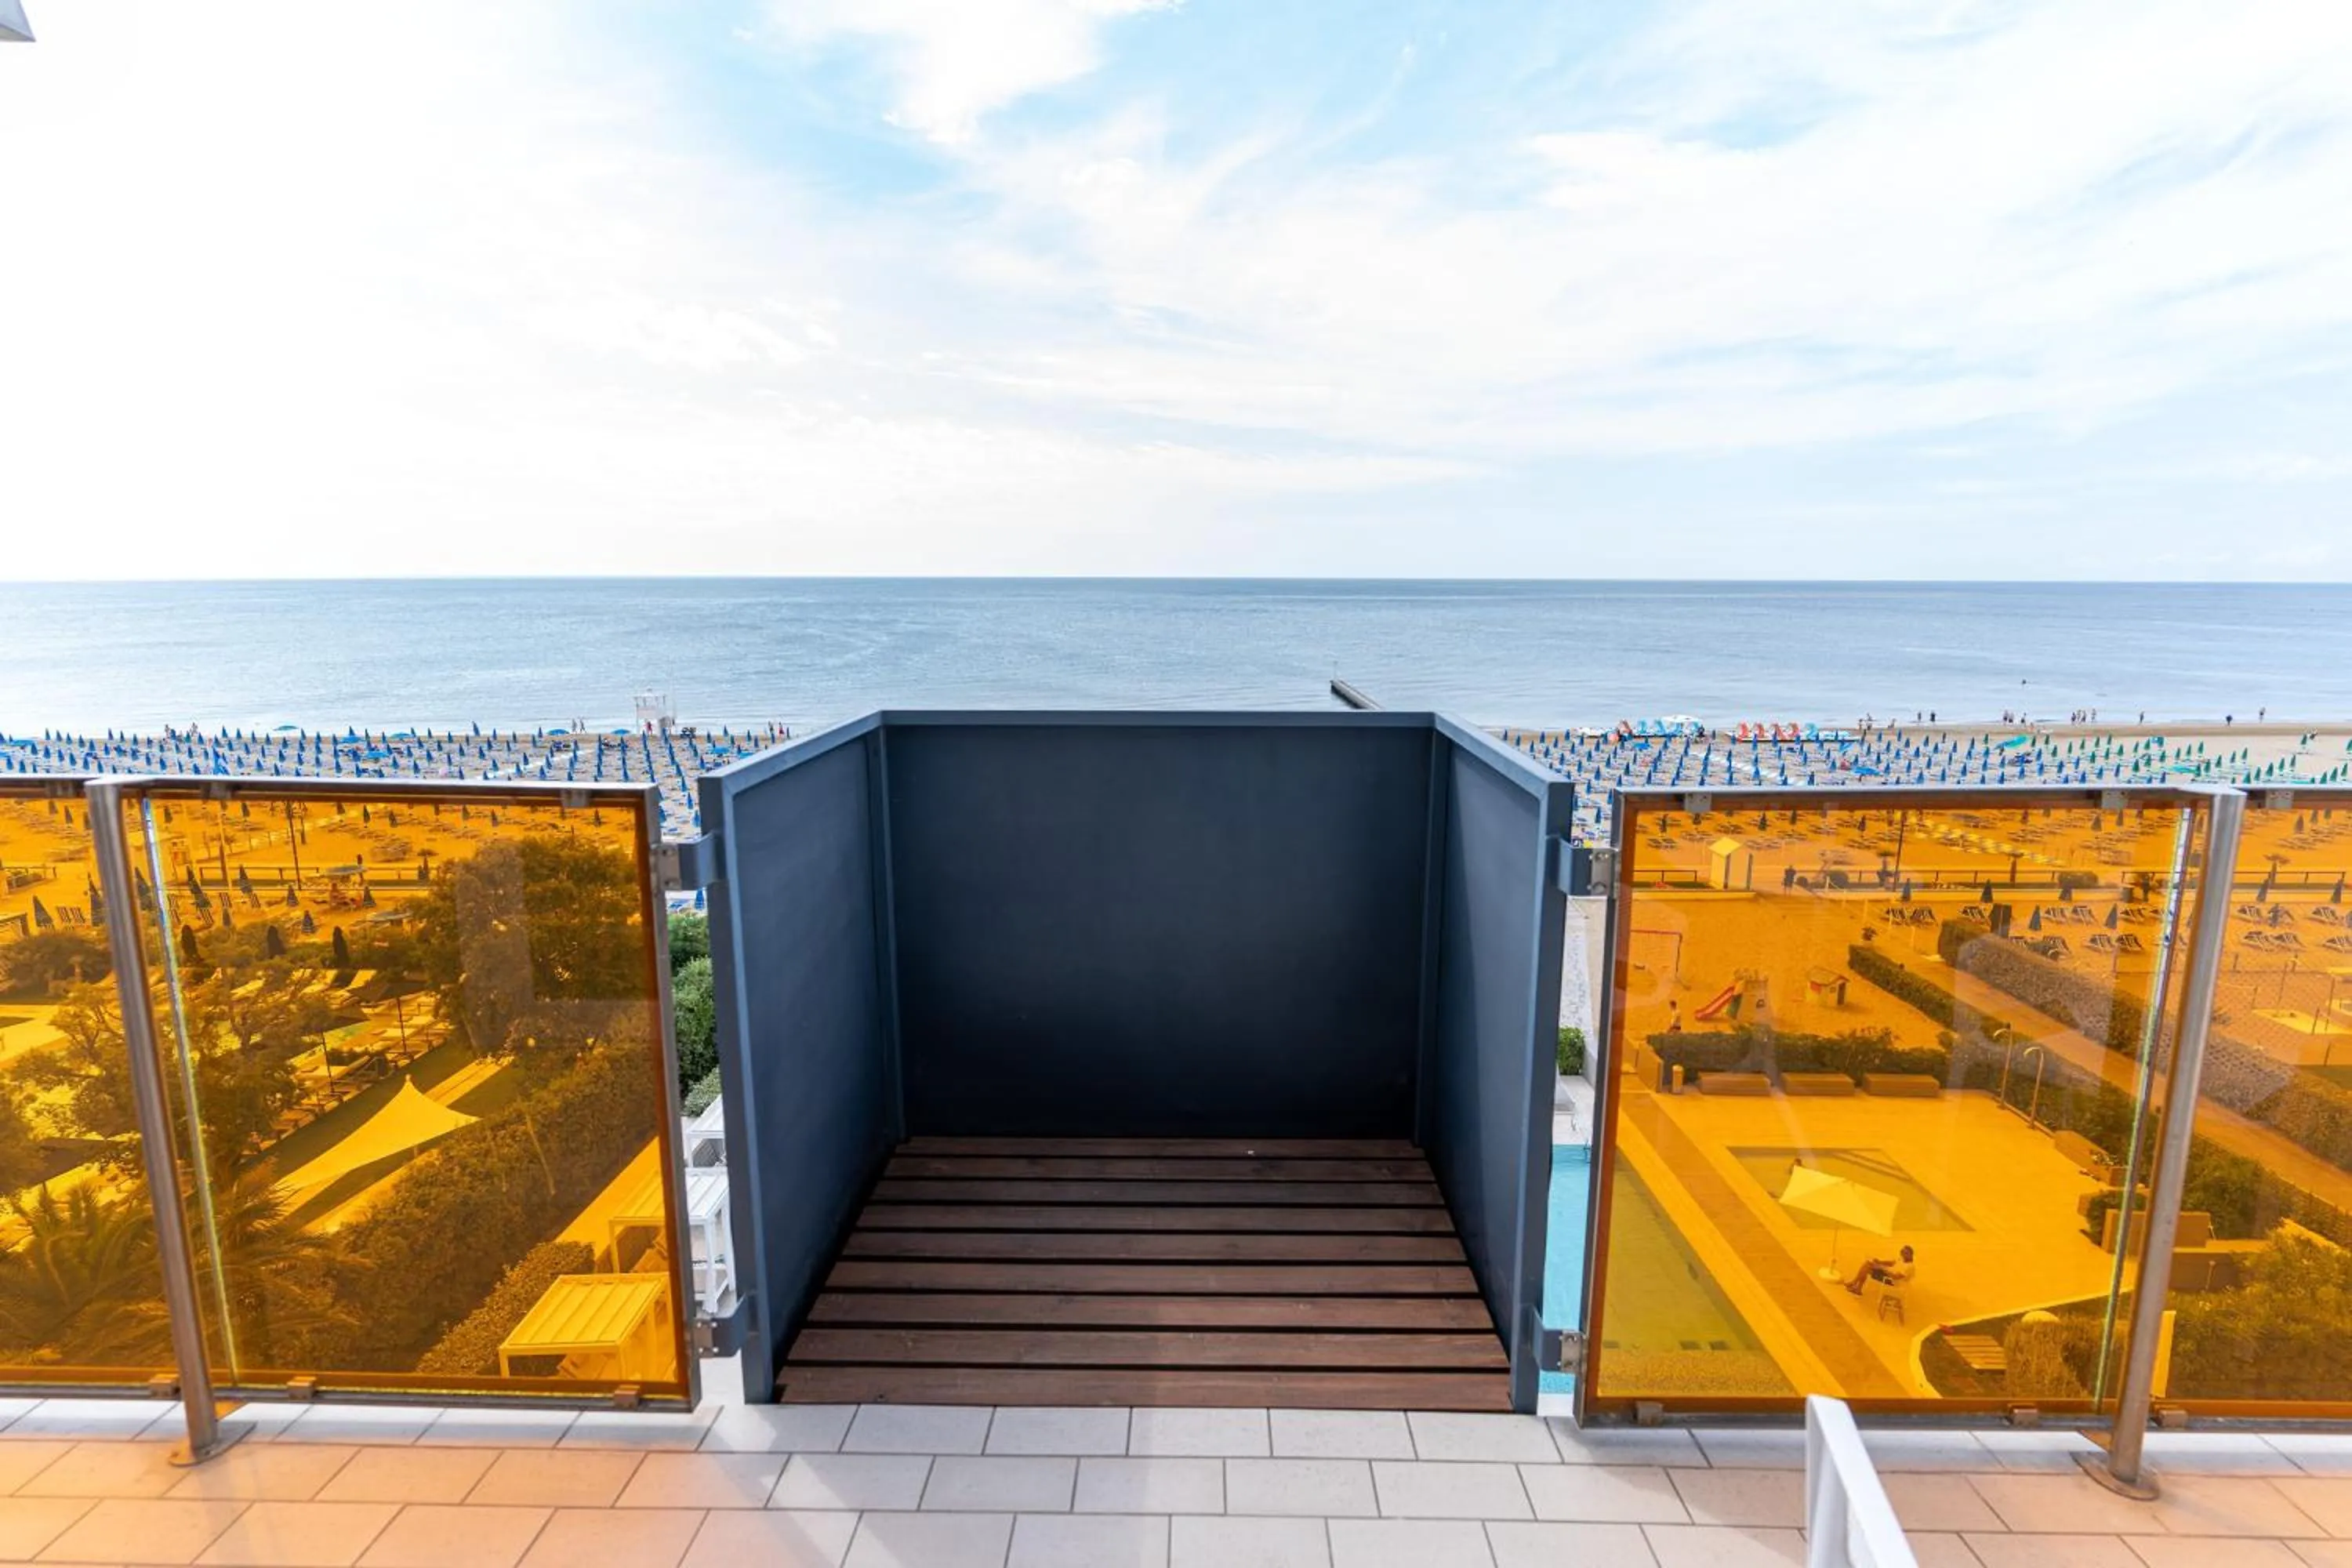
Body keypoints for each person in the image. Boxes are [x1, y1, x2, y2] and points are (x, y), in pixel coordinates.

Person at [1846, 1244, 1915, 1295]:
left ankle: (1855, 1285)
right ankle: (1857, 1287)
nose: (1903, 1254)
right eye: (1902, 1251)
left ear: (1911, 1255)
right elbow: (1891, 1263)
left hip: (1892, 1281)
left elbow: (1895, 1277)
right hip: (1888, 1273)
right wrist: (1880, 1262)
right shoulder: (1902, 1259)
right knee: (1868, 1263)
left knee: (1867, 1267)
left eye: (1906, 1253)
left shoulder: (1909, 1267)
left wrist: (1882, 1268)